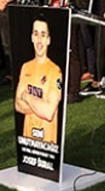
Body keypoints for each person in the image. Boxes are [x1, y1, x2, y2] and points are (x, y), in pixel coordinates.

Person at [15, 14, 63, 144]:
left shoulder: (55, 71)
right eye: (36, 34)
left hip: (47, 145)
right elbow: (17, 105)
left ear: (48, 40)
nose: (39, 40)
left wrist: (27, 97)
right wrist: (41, 104)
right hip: (28, 143)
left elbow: (48, 113)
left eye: (43, 35)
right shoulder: (26, 67)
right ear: (32, 37)